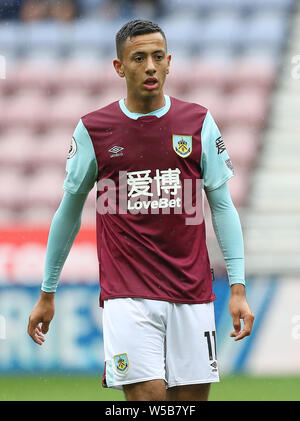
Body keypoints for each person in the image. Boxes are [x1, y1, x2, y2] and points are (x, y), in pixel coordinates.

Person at [27, 19, 254, 401]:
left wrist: (238, 287)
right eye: (139, 57)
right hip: (127, 297)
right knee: (147, 402)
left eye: (157, 57)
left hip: (193, 294)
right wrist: (47, 291)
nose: (150, 66)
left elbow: (223, 206)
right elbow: (68, 212)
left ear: (169, 63)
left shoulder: (198, 122)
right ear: (119, 67)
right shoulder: (94, 130)